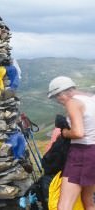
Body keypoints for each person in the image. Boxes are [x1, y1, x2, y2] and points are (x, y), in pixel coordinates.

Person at [47, 76, 95, 210]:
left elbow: (79, 133)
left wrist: (64, 133)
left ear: (63, 92)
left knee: (64, 206)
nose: (58, 100)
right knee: (88, 202)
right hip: (93, 154)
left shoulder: (72, 102)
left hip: (81, 154)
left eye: (57, 97)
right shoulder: (91, 100)